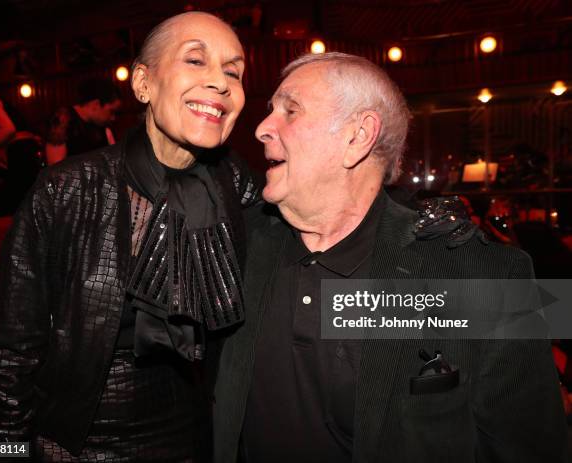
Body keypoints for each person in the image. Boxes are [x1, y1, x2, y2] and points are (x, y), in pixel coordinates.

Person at [213, 52, 567, 462]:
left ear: (358, 136)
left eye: (290, 110)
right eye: (269, 110)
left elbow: (532, 449)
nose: (261, 129)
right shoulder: (234, 247)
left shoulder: (485, 276)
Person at [0, 12, 258, 462]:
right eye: (196, 60)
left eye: (234, 71)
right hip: (72, 440)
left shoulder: (237, 187)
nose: (220, 83)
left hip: (198, 433)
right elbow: (11, 354)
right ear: (143, 84)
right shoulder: (69, 188)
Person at [45, 77, 122, 165]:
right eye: (111, 111)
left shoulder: (103, 127)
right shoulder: (63, 120)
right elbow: (56, 169)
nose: (113, 118)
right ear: (96, 104)